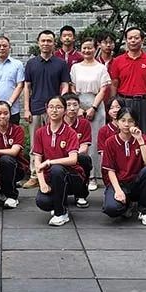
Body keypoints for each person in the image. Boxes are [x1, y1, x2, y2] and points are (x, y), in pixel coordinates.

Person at [22, 30, 72, 185]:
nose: (46, 43)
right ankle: (35, 175)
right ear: (38, 43)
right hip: (35, 108)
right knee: (35, 144)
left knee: (54, 143)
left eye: (49, 41)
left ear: (54, 43)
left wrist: (60, 103)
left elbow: (65, 85)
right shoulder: (31, 63)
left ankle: (52, 174)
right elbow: (27, 87)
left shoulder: (61, 63)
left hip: (54, 110)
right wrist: (26, 109)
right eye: (43, 41)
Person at [32, 96, 88, 226]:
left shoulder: (70, 132)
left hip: (72, 176)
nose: (54, 110)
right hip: (50, 177)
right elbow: (37, 160)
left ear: (64, 110)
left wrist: (50, 162)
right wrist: (42, 183)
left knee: (57, 169)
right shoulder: (40, 132)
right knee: (43, 202)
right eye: (51, 107)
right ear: (46, 109)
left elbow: (73, 159)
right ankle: (60, 203)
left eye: (58, 107)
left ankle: (60, 213)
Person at [101, 107, 146, 225]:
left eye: (130, 121)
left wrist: (140, 141)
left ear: (135, 123)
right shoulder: (110, 142)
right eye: (123, 120)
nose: (126, 124)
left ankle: (144, 211)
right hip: (119, 183)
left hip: (136, 182)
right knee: (111, 209)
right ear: (117, 122)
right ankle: (127, 204)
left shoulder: (143, 138)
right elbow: (110, 170)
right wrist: (118, 191)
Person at [70, 37, 111, 191]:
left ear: (95, 49)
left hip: (96, 105)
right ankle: (79, 174)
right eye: (84, 48)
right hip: (78, 105)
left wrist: (93, 108)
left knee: (94, 142)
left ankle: (94, 176)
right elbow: (72, 87)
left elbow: (103, 89)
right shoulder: (75, 67)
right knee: (78, 140)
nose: (87, 51)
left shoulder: (101, 68)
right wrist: (78, 108)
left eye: (90, 48)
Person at [108, 27, 146, 141]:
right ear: (126, 40)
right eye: (130, 38)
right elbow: (114, 84)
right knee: (124, 134)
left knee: (145, 135)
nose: (133, 40)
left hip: (145, 102)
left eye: (136, 38)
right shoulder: (117, 61)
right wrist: (113, 105)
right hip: (125, 102)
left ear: (142, 40)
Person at [0, 101, 26, 209]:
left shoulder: (17, 130)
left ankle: (12, 196)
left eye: (6, 113)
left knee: (6, 159)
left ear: (10, 114)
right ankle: (1, 191)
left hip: (17, 168)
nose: (2, 116)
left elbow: (14, 152)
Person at [62, 93, 95, 185]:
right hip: (60, 157)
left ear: (79, 107)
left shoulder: (84, 123)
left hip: (77, 156)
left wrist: (72, 157)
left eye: (75, 105)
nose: (72, 108)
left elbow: (84, 147)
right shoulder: (57, 123)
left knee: (85, 159)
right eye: (68, 105)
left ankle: (83, 187)